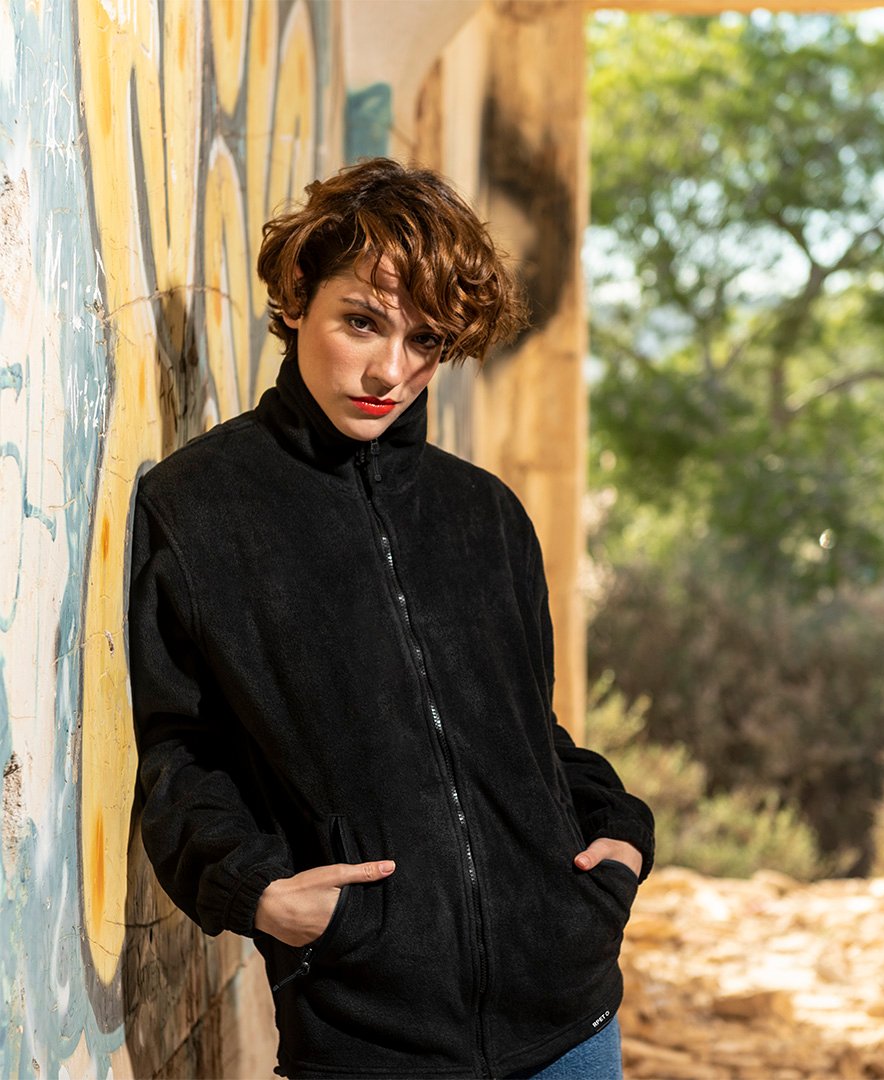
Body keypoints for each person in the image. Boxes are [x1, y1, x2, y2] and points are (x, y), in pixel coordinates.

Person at [127, 157, 654, 1080]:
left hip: (568, 1018)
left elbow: (530, 739)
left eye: (426, 341)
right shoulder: (200, 508)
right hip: (367, 1032)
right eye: (363, 322)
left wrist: (617, 839)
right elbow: (180, 753)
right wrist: (260, 893)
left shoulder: (485, 516)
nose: (390, 371)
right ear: (299, 293)